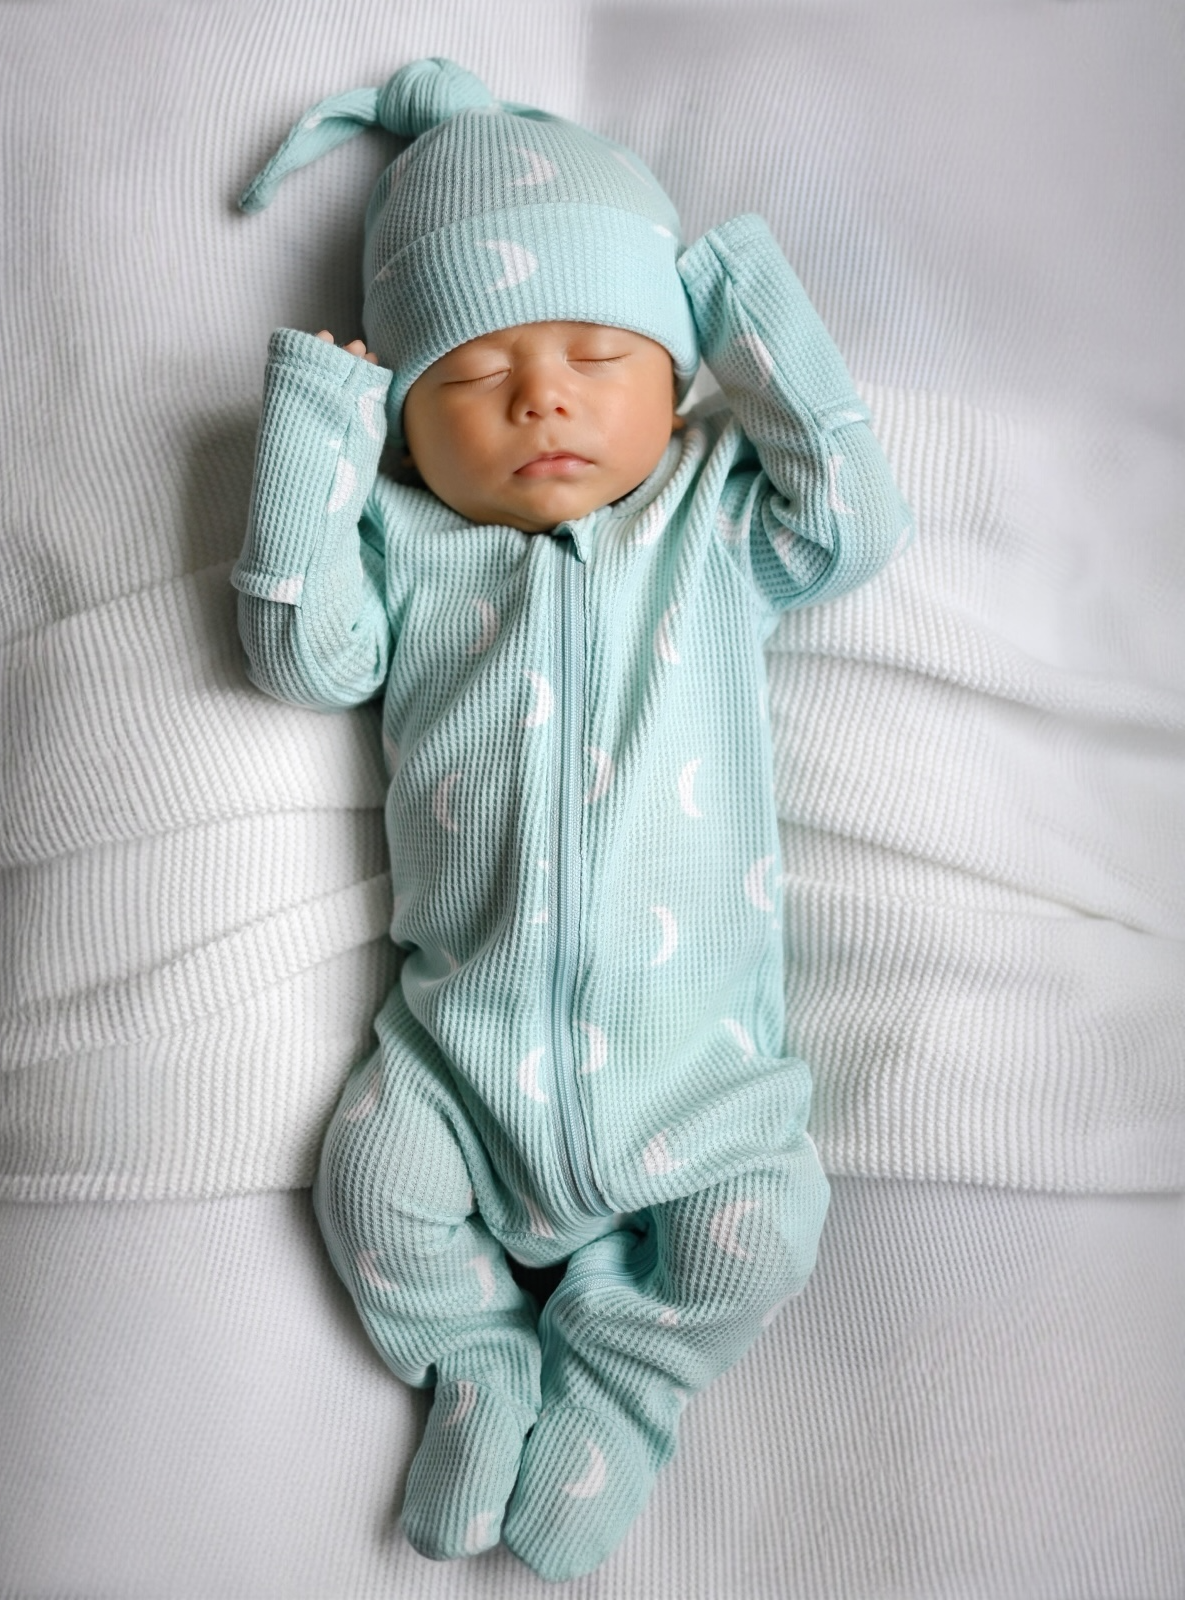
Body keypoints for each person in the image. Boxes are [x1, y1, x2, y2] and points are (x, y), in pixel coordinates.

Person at [233, 56, 909, 1582]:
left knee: (763, 1232)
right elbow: (295, 652)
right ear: (417, 430)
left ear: (676, 382)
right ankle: (478, 1361)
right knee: (368, 1182)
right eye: (475, 375)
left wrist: (738, 296)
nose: (543, 393)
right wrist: (316, 439)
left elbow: (856, 519)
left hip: (701, 1077)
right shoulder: (407, 543)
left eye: (603, 350)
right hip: (453, 1064)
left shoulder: (716, 516)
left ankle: (624, 1375)